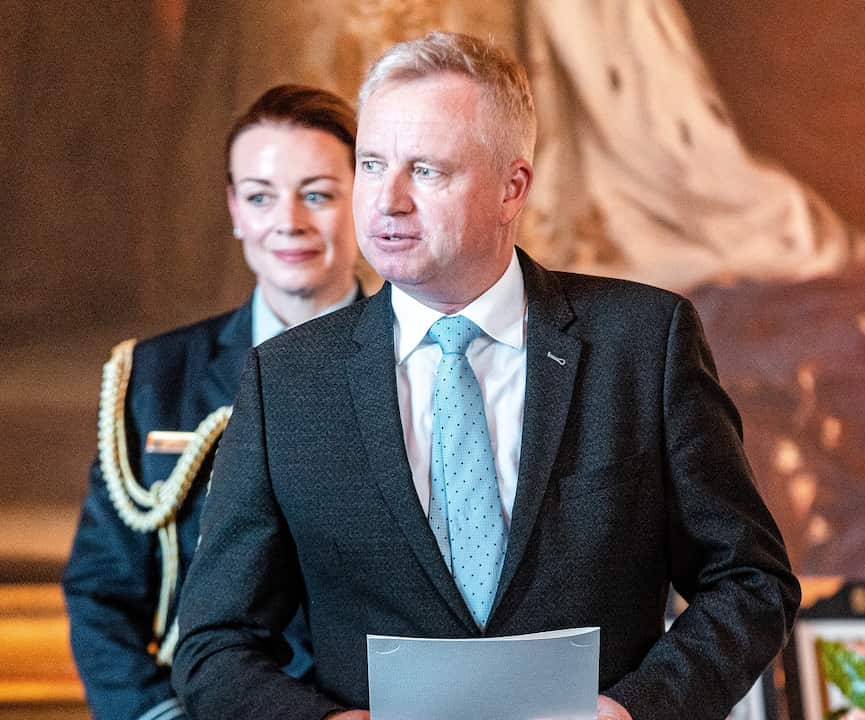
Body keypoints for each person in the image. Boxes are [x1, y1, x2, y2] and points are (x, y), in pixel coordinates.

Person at [172, 32, 799, 720]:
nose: (387, 201)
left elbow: (749, 579)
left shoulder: (644, 344)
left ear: (512, 187)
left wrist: (635, 710)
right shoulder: (286, 382)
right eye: (373, 164)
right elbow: (215, 644)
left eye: (428, 172)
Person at [62, 84, 365, 720]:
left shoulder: (421, 365)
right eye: (260, 196)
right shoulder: (152, 376)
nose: (290, 221)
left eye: (318, 194)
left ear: (362, 200)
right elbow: (102, 590)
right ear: (234, 209)